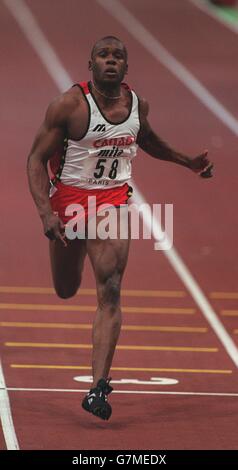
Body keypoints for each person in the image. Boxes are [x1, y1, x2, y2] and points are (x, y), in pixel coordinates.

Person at [27, 36, 213, 421]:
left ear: (126, 67)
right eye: (103, 56)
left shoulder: (137, 105)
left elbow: (147, 140)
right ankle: (72, 255)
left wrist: (187, 161)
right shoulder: (69, 105)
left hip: (112, 202)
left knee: (110, 288)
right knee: (66, 289)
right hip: (68, 203)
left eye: (118, 57)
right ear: (90, 64)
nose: (111, 61)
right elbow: (35, 159)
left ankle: (98, 387)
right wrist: (46, 214)